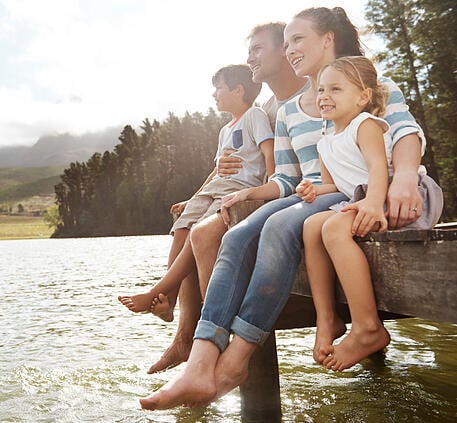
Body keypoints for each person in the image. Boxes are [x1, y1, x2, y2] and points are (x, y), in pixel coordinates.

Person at [140, 6, 429, 410]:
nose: (290, 49)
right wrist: (249, 194)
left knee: (277, 228)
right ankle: (202, 359)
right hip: (316, 193)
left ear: (328, 39)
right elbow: (289, 179)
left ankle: (237, 359)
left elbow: (404, 134)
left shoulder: (370, 86)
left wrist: (402, 180)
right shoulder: (291, 110)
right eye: (287, 42)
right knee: (238, 235)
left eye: (297, 40)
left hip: (358, 193)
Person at [145, 22, 309, 374]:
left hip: (294, 197)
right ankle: (186, 338)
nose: (249, 57)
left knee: (204, 232)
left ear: (284, 50)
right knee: (190, 226)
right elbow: (249, 153)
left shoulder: (315, 92)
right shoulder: (265, 107)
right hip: (266, 193)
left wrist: (257, 190)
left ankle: (206, 343)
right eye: (248, 50)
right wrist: (219, 168)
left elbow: (276, 165)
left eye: (257, 49)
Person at [300, 56, 443, 371]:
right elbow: (333, 185)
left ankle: (368, 327)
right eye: (321, 89)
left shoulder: (364, 125)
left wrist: (374, 203)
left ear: (362, 97)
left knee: (334, 228)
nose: (324, 96)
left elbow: (378, 167)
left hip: (397, 195)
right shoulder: (325, 143)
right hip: (364, 198)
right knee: (312, 225)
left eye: (335, 89)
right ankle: (328, 318)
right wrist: (312, 190)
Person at [118, 64, 275, 322]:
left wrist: (268, 189)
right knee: (181, 229)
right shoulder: (225, 129)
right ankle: (169, 301)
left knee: (196, 233)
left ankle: (158, 292)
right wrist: (195, 197)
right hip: (215, 188)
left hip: (238, 189)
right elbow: (216, 171)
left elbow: (268, 152)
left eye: (218, 89)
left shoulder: (254, 117)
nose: (214, 95)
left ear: (238, 90)